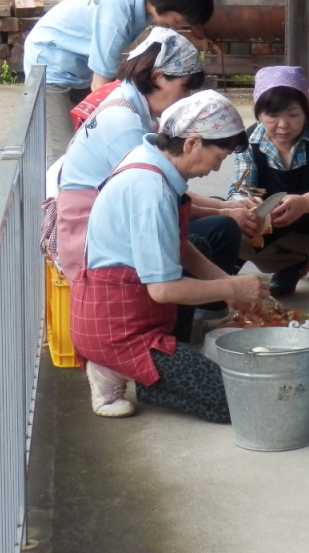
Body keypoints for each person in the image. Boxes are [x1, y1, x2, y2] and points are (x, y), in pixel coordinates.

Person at [43, 29, 261, 333]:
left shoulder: (129, 104)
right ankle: (185, 332)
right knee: (210, 233)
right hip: (93, 252)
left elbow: (173, 197)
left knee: (203, 233)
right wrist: (225, 216)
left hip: (98, 229)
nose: (184, 99)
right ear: (158, 77)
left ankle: (195, 324)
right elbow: (161, 202)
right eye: (184, 89)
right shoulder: (126, 129)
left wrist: (226, 211)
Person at [71, 91, 269, 420]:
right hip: (117, 329)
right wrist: (233, 289)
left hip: (123, 309)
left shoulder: (151, 160)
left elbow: (179, 248)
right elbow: (163, 290)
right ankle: (119, 368)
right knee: (240, 402)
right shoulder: (150, 188)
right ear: (192, 143)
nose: (216, 166)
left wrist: (227, 281)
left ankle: (157, 369)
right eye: (218, 157)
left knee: (200, 245)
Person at [23, 0, 215, 162]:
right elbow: (100, 87)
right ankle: (60, 192)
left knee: (88, 142)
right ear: (168, 3)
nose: (177, 27)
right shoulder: (115, 17)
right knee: (64, 151)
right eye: (179, 20)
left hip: (78, 61)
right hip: (49, 63)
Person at [228, 66, 309, 297]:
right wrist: (248, 206)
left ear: (306, 112)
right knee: (228, 222)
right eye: (272, 115)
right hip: (279, 230)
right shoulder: (248, 142)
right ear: (258, 114)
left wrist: (306, 203)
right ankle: (289, 264)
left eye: (293, 114)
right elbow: (239, 189)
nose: (283, 125)